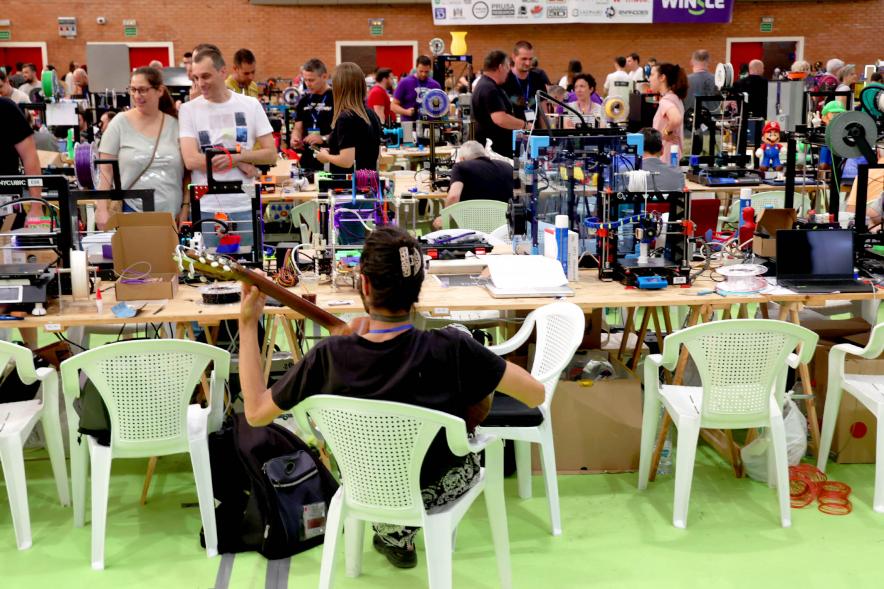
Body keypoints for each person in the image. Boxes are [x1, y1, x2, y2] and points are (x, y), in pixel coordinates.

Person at [237, 224, 544, 568]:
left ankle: (392, 529)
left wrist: (248, 326)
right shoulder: (452, 347)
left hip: (362, 483)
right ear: (419, 288)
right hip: (434, 487)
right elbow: (534, 394)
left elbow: (256, 412)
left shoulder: (328, 356)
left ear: (364, 286)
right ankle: (397, 530)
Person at [178, 46, 275, 247]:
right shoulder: (189, 110)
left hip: (245, 201)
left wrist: (237, 157)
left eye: (205, 76)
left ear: (223, 72)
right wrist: (239, 161)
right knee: (210, 271)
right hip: (207, 205)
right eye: (195, 78)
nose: (200, 83)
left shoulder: (250, 105)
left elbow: (271, 155)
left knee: (249, 268)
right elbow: (191, 160)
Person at [95, 67, 185, 229]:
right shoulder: (119, 123)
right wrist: (101, 209)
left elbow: (187, 174)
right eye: (133, 90)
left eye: (143, 90)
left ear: (160, 91)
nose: (137, 96)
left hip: (172, 216)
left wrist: (185, 208)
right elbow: (105, 170)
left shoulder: (175, 125)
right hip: (132, 212)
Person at [315, 62, 382, 176]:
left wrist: (326, 156)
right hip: (369, 183)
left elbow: (347, 161)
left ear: (339, 88)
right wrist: (332, 152)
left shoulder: (346, 118)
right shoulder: (371, 114)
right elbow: (375, 155)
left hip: (348, 188)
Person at [432, 141, 513, 228]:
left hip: (472, 231)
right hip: (502, 230)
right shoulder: (507, 167)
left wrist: (445, 217)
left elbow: (453, 196)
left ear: (462, 159)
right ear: (484, 154)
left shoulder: (461, 167)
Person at [471, 50, 530, 159]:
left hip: (494, 151)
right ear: (500, 67)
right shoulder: (489, 88)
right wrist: (525, 125)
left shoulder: (486, 85)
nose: (509, 72)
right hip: (494, 154)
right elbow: (500, 119)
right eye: (508, 67)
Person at [292, 58, 334, 172]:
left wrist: (323, 138)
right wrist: (295, 138)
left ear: (324, 77)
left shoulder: (337, 99)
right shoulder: (304, 100)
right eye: (305, 80)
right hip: (308, 158)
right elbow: (297, 127)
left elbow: (345, 132)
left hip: (330, 158)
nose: (308, 84)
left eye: (311, 80)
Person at [649, 62, 688, 161]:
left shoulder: (666, 100)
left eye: (652, 75)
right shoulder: (675, 98)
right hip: (672, 156)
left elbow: (676, 119)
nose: (649, 79)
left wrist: (665, 132)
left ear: (662, 77)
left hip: (667, 158)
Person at [502, 41, 548, 122]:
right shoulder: (504, 79)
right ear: (513, 57)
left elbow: (543, 111)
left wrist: (545, 133)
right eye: (524, 59)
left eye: (530, 59)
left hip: (534, 130)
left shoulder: (537, 78)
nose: (528, 63)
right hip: (513, 132)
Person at [391, 55, 440, 123]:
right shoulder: (405, 82)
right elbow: (393, 106)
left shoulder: (435, 85)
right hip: (409, 124)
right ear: (416, 68)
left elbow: (442, 106)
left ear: (430, 69)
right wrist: (406, 112)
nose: (423, 74)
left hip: (430, 125)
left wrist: (447, 125)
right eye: (421, 71)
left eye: (426, 72)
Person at [684, 50, 716, 119]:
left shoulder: (684, 80)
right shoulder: (718, 80)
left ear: (691, 62)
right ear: (708, 61)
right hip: (713, 125)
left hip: (689, 125)